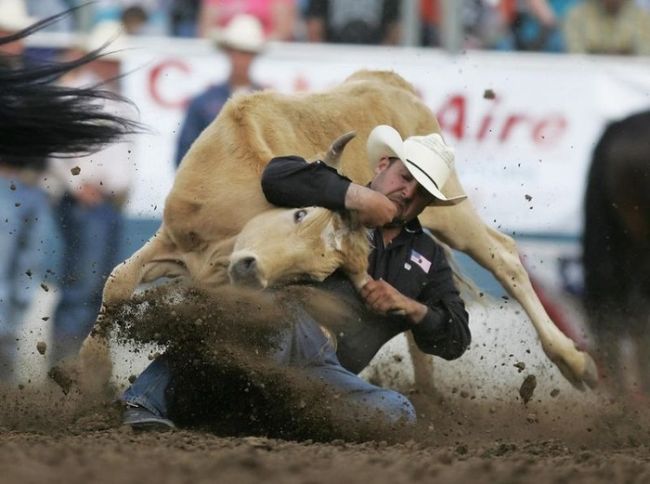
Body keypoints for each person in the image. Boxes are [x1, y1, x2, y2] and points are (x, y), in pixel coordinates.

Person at [121, 125, 471, 431]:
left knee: (399, 412)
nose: (408, 192)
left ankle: (257, 413)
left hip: (325, 372)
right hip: (277, 323)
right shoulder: (332, 196)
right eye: (405, 177)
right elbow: (277, 176)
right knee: (258, 320)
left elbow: (455, 339)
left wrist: (412, 308)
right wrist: (356, 196)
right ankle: (145, 401)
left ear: (427, 203)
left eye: (421, 191)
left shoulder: (428, 254)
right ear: (383, 165)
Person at [47, 21, 135, 365]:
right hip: (88, 203)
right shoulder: (78, 94)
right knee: (83, 287)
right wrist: (75, 184)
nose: (112, 65)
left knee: (100, 291)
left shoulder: (119, 101)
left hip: (109, 205)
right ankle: (65, 366)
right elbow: (56, 149)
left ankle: (80, 367)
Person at [0, 0, 58, 383]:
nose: (15, 42)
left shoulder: (29, 80)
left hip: (32, 184)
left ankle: (9, 337)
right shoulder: (27, 83)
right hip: (5, 183)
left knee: (32, 264)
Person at [174, 13, 265, 167]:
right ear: (229, 53)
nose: (241, 59)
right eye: (238, 51)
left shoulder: (266, 103)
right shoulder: (203, 103)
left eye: (247, 53)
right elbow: (184, 156)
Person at [563, 0, 650, 55]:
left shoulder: (643, 17)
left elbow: (645, 55)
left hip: (631, 76)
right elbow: (576, 55)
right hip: (588, 77)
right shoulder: (576, 16)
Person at [304, 0, 401, 45]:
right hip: (334, 50)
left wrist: (384, 56)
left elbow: (393, 26)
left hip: (374, 51)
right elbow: (315, 24)